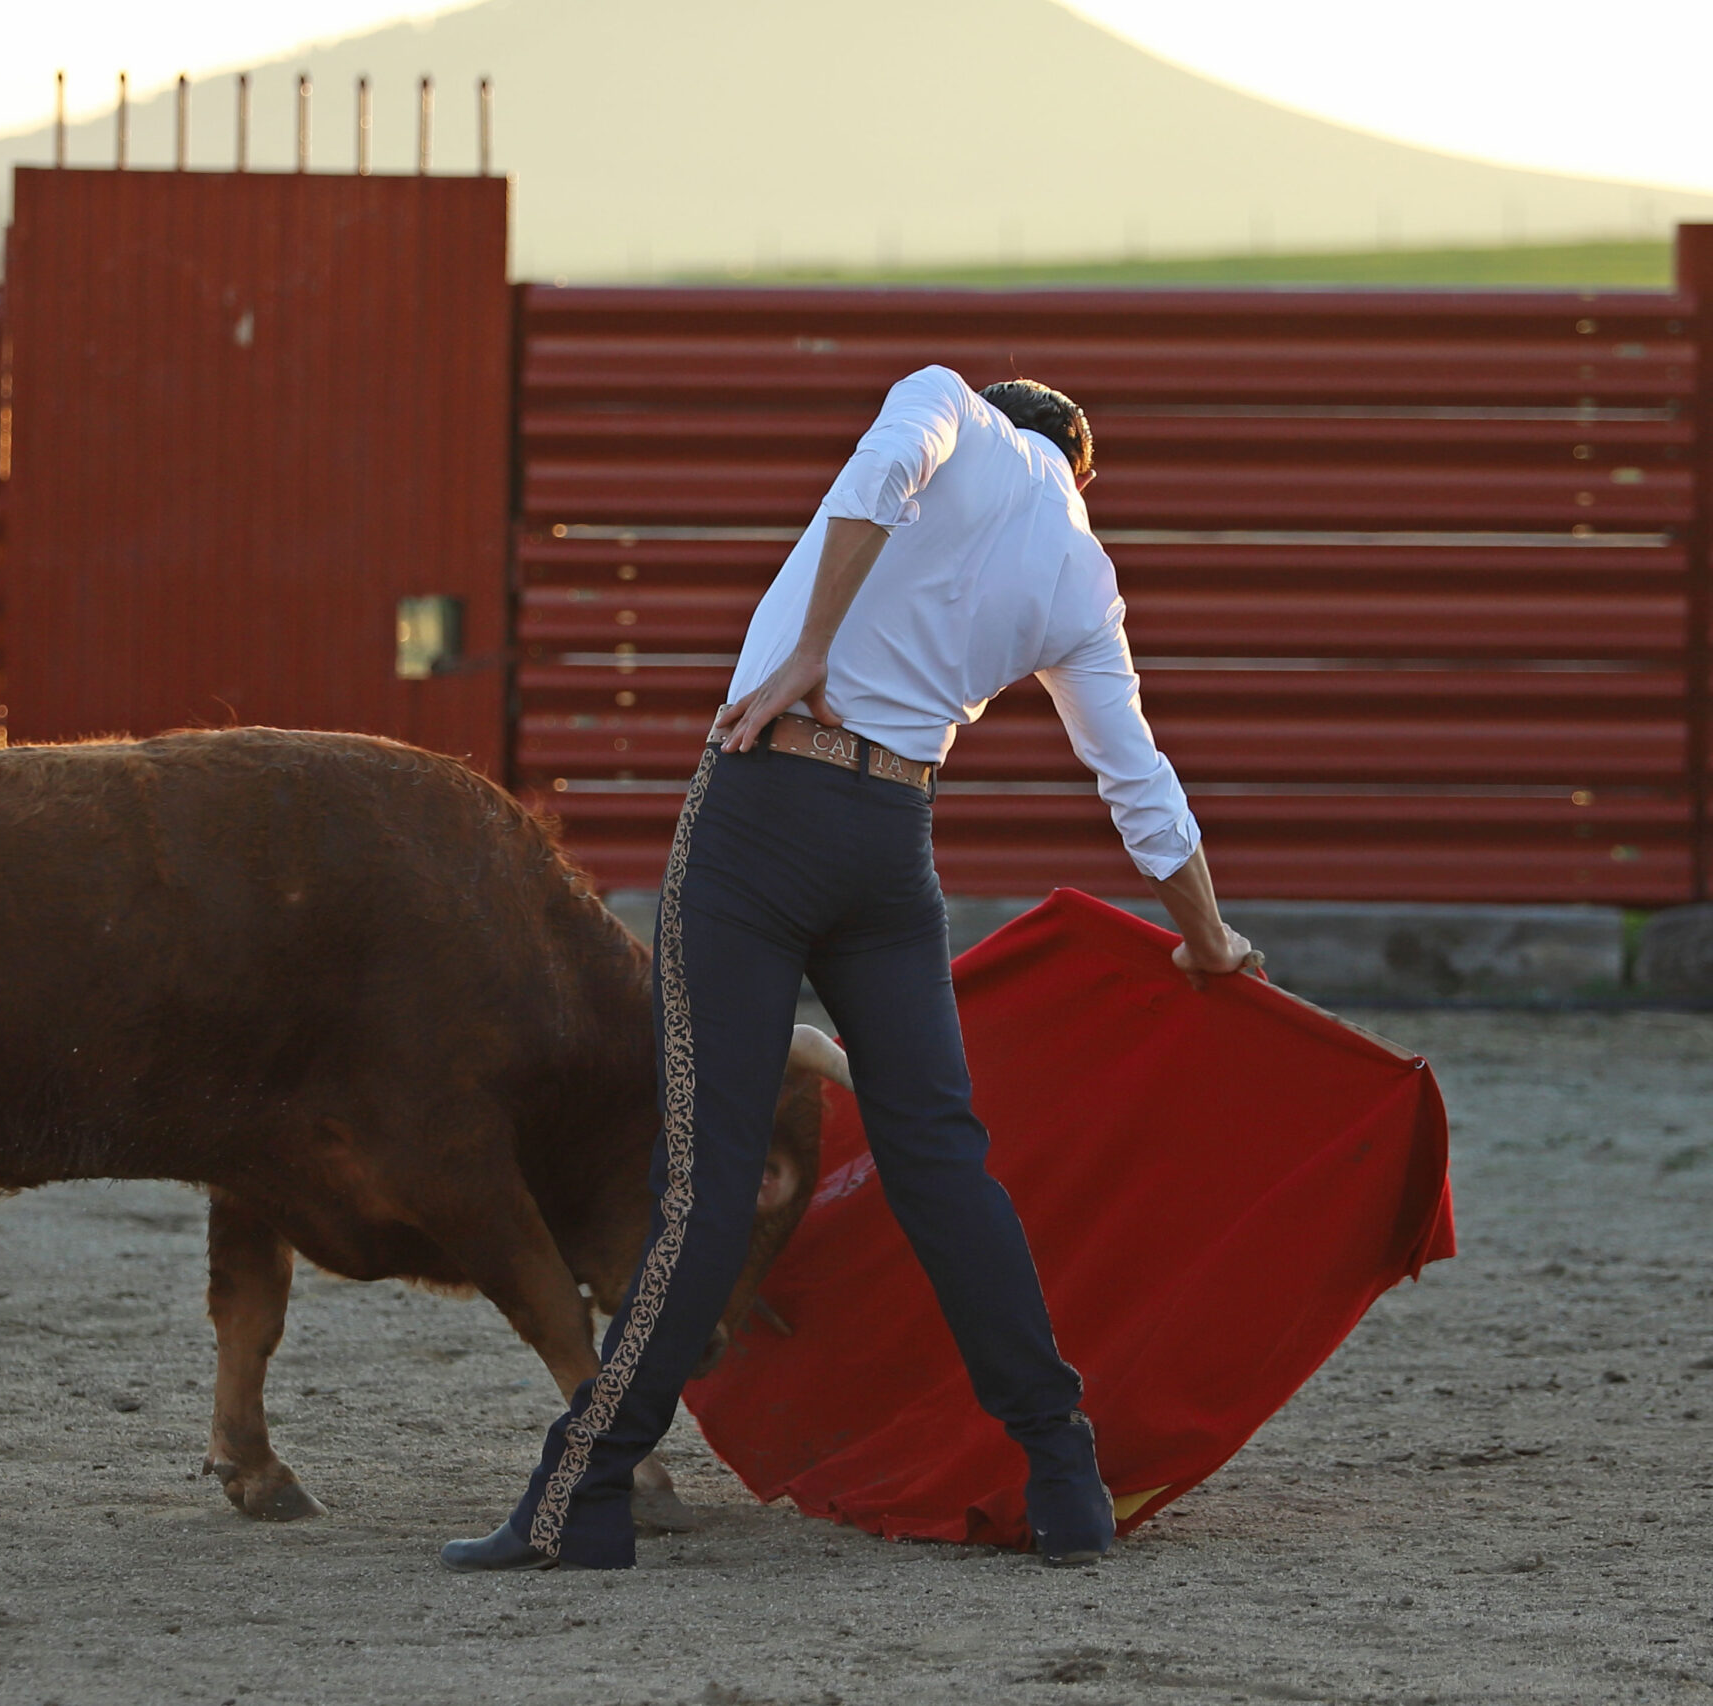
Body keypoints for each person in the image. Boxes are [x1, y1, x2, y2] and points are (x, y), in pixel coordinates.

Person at [443, 366, 1259, 1573]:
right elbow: (1135, 779)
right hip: (890, 847)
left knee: (706, 1181)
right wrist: (1208, 936)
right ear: (1082, 471)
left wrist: (810, 648)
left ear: (1002, 413)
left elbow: (881, 475)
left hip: (763, 807)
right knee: (942, 1165)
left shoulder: (947, 403)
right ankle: (1064, 1472)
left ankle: (584, 1495)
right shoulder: (1086, 577)